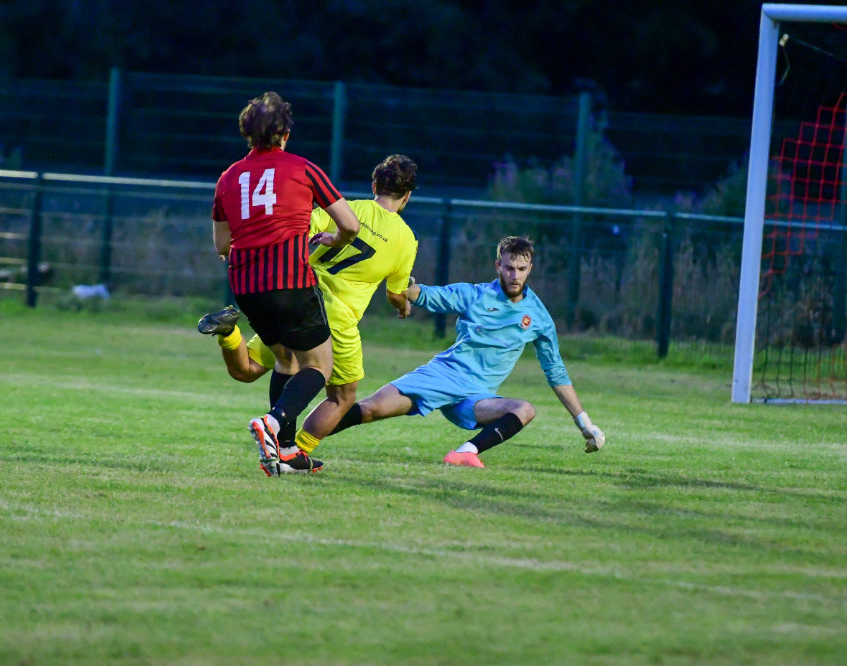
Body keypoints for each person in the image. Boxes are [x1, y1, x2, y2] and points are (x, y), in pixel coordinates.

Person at [200, 154, 420, 475]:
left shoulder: (347, 209)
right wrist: (403, 306)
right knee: (342, 395)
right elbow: (395, 293)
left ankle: (229, 333)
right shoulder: (406, 239)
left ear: (374, 185)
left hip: (301, 296)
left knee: (249, 369)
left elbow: (302, 228)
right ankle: (294, 452)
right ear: (407, 196)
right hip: (338, 317)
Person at [319, 235, 606, 467]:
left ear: (530, 268)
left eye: (521, 269)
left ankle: (465, 453)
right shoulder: (476, 295)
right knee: (370, 409)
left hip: (476, 398)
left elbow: (556, 373)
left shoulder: (539, 317)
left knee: (524, 409)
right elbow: (428, 295)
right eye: (509, 268)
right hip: (443, 377)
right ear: (498, 266)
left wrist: (585, 423)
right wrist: (402, 286)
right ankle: (297, 441)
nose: (515, 275)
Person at [211, 91, 360, 477]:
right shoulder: (303, 169)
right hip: (290, 281)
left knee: (286, 361)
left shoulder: (228, 178)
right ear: (285, 133)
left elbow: (221, 245)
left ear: (247, 134)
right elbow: (350, 224)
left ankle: (287, 451)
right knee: (319, 365)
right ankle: (272, 423)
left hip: (246, 286)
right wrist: (335, 240)